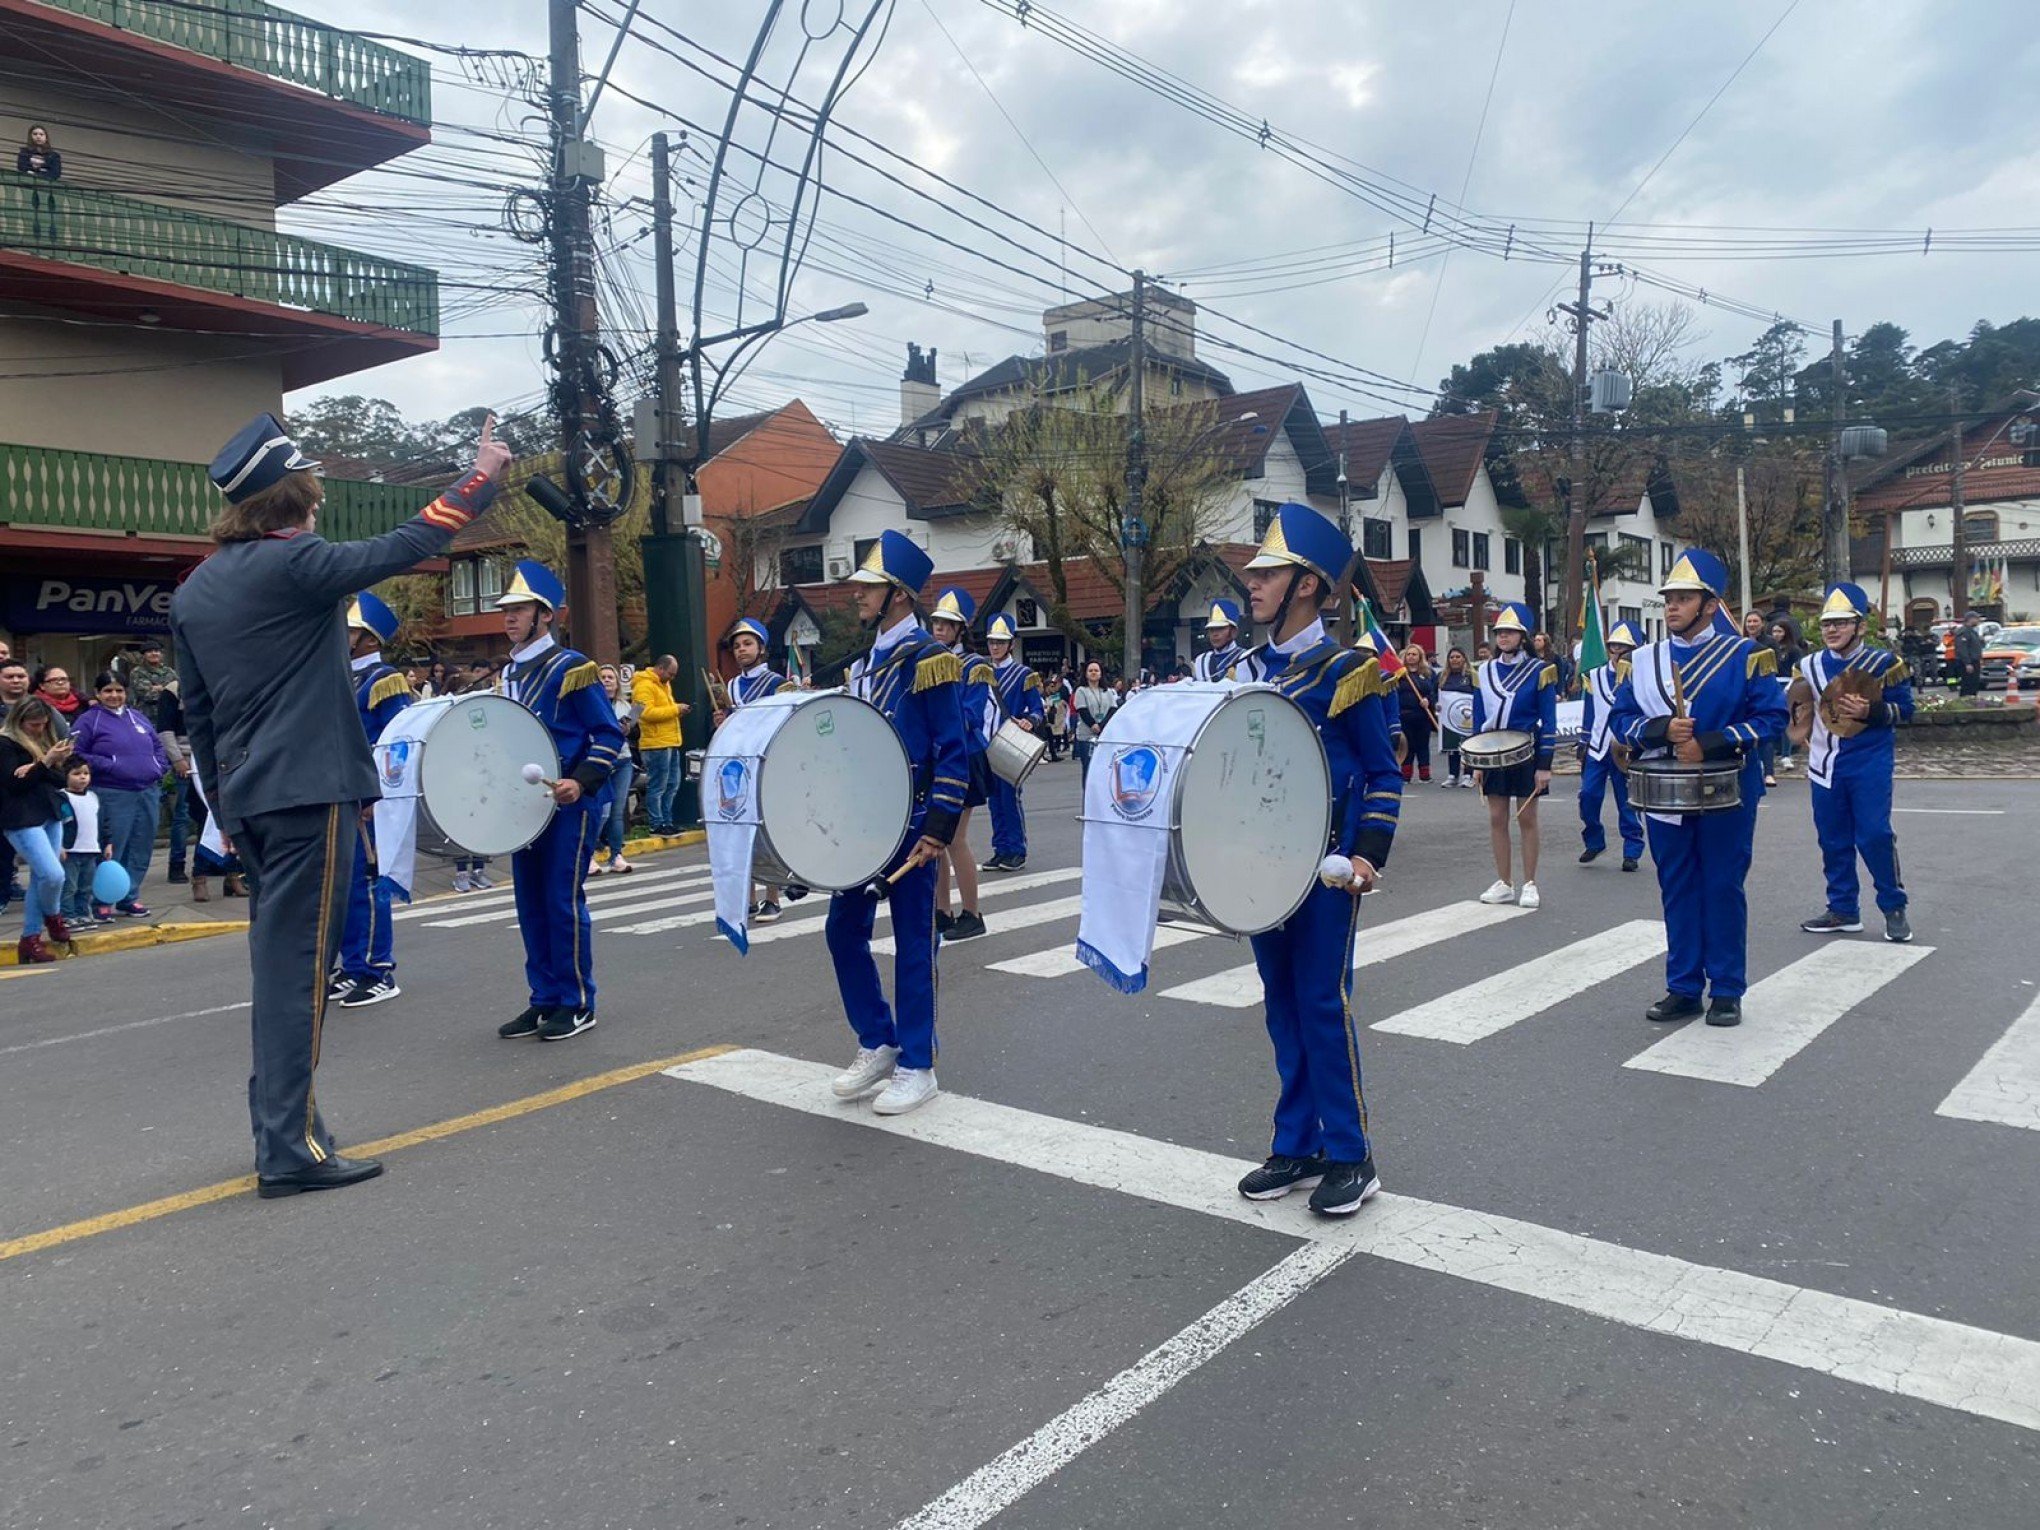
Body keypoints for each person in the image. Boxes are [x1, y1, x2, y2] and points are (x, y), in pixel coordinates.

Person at [173, 410, 509, 1197]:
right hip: (310, 792)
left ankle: (286, 1129)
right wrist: (480, 475)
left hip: (252, 800)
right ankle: (289, 1147)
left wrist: (226, 806)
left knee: (283, 968)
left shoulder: (196, 589)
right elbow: (406, 544)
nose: (321, 501)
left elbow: (198, 715)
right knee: (300, 976)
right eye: (313, 489)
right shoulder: (294, 565)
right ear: (292, 495)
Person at [1228, 504, 1401, 1217]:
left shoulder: (1348, 670)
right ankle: (1295, 1142)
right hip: (1262, 868)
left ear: (1306, 585)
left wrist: (1366, 854)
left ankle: (1351, 1153)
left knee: (1323, 1005)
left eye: (1267, 573)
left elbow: (1383, 773)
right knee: (1282, 1006)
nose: (1252, 582)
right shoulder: (1242, 672)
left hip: (1326, 870)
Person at [1608, 549, 1788, 1029]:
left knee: (1722, 886)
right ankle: (1684, 986)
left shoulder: (1746, 655)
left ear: (1709, 605)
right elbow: (1619, 721)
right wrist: (1660, 731)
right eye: (1668, 599)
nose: (1671, 608)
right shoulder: (1643, 661)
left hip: (1728, 788)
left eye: (1683, 599)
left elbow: (1772, 719)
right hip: (1664, 793)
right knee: (1677, 887)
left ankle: (1727, 988)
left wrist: (1710, 743)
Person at [824, 530, 967, 1116]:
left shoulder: (931, 661)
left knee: (913, 943)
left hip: (911, 823)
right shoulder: (863, 666)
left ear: (900, 597)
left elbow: (954, 750)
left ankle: (918, 1064)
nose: (857, 593)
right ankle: (878, 1039)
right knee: (841, 933)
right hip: (863, 826)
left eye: (870, 585)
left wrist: (938, 826)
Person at [490, 562, 625, 1043]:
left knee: (561, 903)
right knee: (529, 905)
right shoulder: (509, 672)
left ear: (544, 615)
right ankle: (543, 998)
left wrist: (581, 781)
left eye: (519, 609)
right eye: (506, 610)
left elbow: (609, 734)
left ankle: (576, 1001)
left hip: (569, 803)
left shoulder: (573, 668)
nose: (509, 617)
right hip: (525, 810)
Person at [1790, 583, 1914, 943]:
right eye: (1827, 623)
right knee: (1832, 839)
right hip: (1823, 763)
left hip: (1869, 761)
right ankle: (1843, 909)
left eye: (1841, 623)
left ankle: (1893, 907)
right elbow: (1798, 710)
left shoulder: (1884, 663)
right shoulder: (1807, 665)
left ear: (1859, 626)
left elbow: (1906, 710)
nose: (1831, 630)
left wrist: (1872, 710)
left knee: (1874, 834)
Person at [329, 591, 412, 1009]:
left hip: (369, 799)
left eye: (351, 630)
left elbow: (397, 743)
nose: (343, 635)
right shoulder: (339, 674)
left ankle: (379, 969)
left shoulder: (385, 680)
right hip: (339, 794)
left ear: (370, 639)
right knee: (344, 886)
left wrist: (377, 794)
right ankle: (353, 964)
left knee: (370, 883)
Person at [1472, 603, 1557, 910]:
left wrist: (1544, 764)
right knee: (1496, 817)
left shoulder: (1541, 671)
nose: (1503, 637)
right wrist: (1475, 763)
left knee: (1527, 818)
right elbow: (1478, 718)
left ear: (1523, 636)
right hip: (1492, 752)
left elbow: (1549, 719)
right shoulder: (1484, 671)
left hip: (1526, 752)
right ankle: (1504, 882)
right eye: (1499, 632)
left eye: (1509, 632)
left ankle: (1530, 883)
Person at [69, 671, 168, 918]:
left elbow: (157, 746)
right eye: (108, 691)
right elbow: (77, 754)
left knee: (141, 846)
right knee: (113, 847)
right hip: (112, 793)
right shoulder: (88, 721)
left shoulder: (139, 717)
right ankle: (103, 899)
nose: (114, 695)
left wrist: (159, 767)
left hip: (146, 792)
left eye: (119, 690)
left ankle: (129, 896)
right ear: (97, 693)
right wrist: (112, 765)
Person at [709, 618, 789, 920]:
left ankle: (773, 898)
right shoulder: (729, 685)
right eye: (737, 645)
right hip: (737, 765)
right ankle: (748, 897)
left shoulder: (777, 683)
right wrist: (722, 721)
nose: (741, 650)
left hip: (766, 761)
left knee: (765, 830)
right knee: (740, 828)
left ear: (761, 648)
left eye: (748, 644)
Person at [928, 590, 991, 941]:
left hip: (965, 757)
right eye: (936, 622)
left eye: (946, 624)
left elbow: (971, 716)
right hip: (940, 756)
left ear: (959, 630)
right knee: (935, 839)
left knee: (955, 839)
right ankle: (942, 912)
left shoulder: (974, 666)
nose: (938, 628)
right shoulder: (929, 660)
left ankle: (972, 912)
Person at [2, 697, 78, 962]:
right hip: (21, 818)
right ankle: (54, 917)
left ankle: (30, 938)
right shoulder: (5, 743)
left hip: (49, 813)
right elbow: (14, 785)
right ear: (19, 721)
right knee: (53, 874)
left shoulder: (46, 742)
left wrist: (40, 766)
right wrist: (44, 763)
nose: (39, 729)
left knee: (41, 878)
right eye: (34, 725)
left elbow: (60, 780)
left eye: (43, 725)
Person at [1577, 621, 1646, 873]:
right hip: (1597, 746)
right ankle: (1594, 840)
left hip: (1625, 747)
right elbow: (1589, 711)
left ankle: (1632, 849)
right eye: (1614, 646)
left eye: (1624, 647)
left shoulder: (1640, 676)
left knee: (1627, 801)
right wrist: (1583, 741)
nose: (1618, 651)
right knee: (1588, 796)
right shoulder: (1594, 675)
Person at [980, 614, 1043, 872]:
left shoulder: (1022, 674)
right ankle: (1001, 848)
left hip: (1009, 742)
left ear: (1011, 644)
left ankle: (1017, 850)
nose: (994, 647)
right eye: (992, 642)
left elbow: (1037, 709)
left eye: (1000, 642)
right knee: (994, 799)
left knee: (1010, 798)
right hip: (985, 743)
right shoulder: (981, 671)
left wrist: (1029, 721)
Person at [631, 654, 689, 835]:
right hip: (655, 744)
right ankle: (656, 824)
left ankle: (666, 821)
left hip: (669, 741)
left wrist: (677, 710)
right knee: (658, 786)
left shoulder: (664, 685)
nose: (672, 678)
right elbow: (646, 713)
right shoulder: (644, 686)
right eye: (671, 674)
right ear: (661, 668)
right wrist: (676, 709)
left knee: (672, 784)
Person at [591, 663, 638, 877]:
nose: (608, 680)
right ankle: (589, 854)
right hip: (601, 761)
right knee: (602, 812)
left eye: (611, 677)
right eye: (603, 677)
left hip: (623, 760)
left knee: (618, 811)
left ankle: (616, 854)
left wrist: (628, 728)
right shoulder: (592, 705)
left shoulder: (624, 706)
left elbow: (635, 734)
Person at [60, 756, 105, 930]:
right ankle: (67, 915)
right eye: (76, 773)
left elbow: (102, 822)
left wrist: (106, 842)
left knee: (86, 886)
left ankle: (83, 914)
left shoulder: (94, 797)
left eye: (86, 773)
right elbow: (58, 823)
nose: (82, 777)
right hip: (70, 850)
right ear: (66, 776)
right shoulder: (62, 797)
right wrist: (59, 845)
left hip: (91, 849)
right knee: (69, 886)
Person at [1397, 645, 1437, 782]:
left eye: (1414, 654)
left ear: (1420, 656)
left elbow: (1434, 692)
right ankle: (1406, 774)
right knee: (1407, 745)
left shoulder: (1428, 673)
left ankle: (1424, 774)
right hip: (1405, 715)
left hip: (1422, 716)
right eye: (1409, 654)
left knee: (1422, 745)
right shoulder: (1399, 674)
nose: (1411, 657)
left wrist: (1429, 700)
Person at [1438, 647, 1476, 787]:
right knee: (1452, 747)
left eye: (1458, 657)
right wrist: (1436, 704)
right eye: (1452, 657)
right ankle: (1453, 775)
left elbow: (1478, 694)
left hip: (1468, 718)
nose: (1454, 660)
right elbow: (1435, 694)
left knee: (1468, 746)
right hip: (1449, 719)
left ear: (1464, 659)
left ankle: (1468, 775)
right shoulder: (1443, 677)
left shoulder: (1471, 676)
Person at [1072, 660, 1115, 785]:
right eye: (1090, 670)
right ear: (1086, 674)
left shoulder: (1107, 691)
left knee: (1103, 768)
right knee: (1088, 767)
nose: (1093, 673)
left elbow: (1112, 709)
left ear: (1101, 673)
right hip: (1086, 736)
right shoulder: (1081, 690)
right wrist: (1093, 725)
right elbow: (1082, 709)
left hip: (1103, 735)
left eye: (1096, 670)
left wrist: (1101, 726)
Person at [1193, 600, 1247, 682]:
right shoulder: (1201, 660)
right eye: (1211, 629)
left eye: (1220, 628)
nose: (1215, 634)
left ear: (1233, 631)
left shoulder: (1246, 658)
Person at [1953, 611, 1985, 698]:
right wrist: (1967, 663)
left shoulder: (1972, 631)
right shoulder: (1964, 632)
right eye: (1977, 618)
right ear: (1970, 619)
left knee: (1974, 684)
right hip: (1968, 662)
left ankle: (1972, 700)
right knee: (1967, 684)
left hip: (1974, 661)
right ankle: (1965, 702)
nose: (1978, 620)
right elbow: (1962, 648)